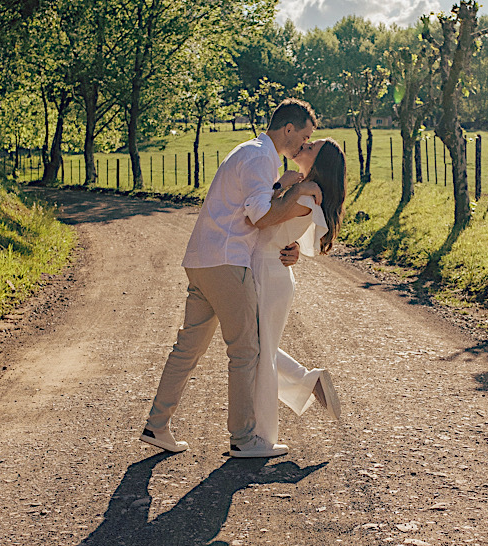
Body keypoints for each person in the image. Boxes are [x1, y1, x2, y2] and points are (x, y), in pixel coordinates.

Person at [140, 99, 317, 458]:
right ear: (288, 129)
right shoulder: (260, 158)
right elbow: (257, 216)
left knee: (188, 346)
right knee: (246, 349)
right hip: (227, 261)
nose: (304, 143)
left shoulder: (252, 152)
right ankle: (244, 437)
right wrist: (296, 191)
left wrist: (279, 186)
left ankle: (157, 425)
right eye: (305, 136)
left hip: (203, 259)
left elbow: (248, 203)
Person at [250, 138, 347, 445]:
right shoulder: (307, 194)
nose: (302, 147)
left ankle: (263, 435)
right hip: (273, 270)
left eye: (309, 148)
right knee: (255, 348)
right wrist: (288, 244)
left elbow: (260, 216)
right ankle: (309, 381)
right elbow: (297, 240)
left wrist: (282, 185)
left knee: (259, 353)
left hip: (268, 272)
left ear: (318, 164)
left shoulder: (305, 197)